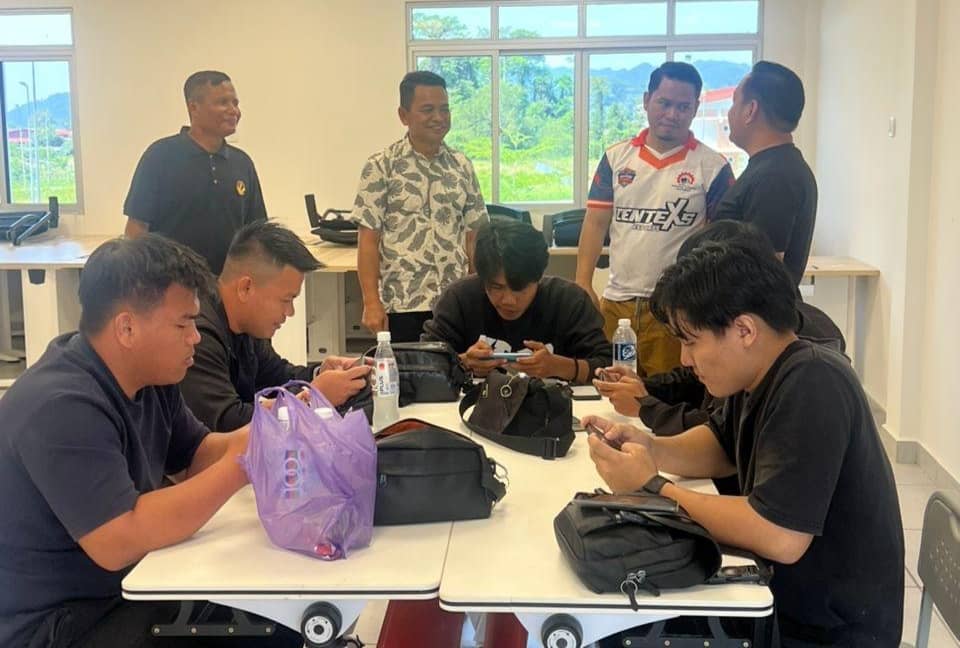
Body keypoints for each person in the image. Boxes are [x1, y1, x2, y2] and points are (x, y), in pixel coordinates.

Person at [585, 242, 904, 646]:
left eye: (691, 341)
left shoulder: (813, 381)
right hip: (785, 601)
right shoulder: (758, 373)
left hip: (827, 631)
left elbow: (780, 535)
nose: (684, 359)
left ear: (745, 330)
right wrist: (651, 449)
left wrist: (652, 488)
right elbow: (720, 447)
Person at [0, 235, 302, 648]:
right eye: (183, 324)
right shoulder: (60, 405)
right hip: (59, 624)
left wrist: (270, 430)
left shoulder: (149, 377)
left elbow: (196, 456)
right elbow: (120, 536)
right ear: (127, 328)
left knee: (276, 614)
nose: (196, 337)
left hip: (121, 589)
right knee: (264, 631)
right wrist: (244, 462)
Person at [595, 221, 844, 434]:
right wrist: (644, 387)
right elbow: (713, 417)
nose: (685, 359)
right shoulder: (748, 350)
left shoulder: (805, 371)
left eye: (690, 341)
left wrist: (647, 408)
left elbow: (720, 435)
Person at [576, 61, 734, 377]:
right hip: (617, 305)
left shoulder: (713, 167)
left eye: (683, 106)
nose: (672, 114)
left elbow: (721, 241)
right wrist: (582, 281)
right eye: (664, 103)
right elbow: (595, 223)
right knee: (610, 387)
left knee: (668, 393)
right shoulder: (616, 158)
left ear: (695, 108)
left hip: (676, 309)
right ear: (647, 100)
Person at [180, 221, 370, 431]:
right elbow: (227, 421)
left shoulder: (246, 326)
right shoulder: (198, 337)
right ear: (246, 288)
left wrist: (319, 374)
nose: (290, 312)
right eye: (286, 300)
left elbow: (276, 375)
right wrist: (312, 398)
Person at [352, 70, 488, 343]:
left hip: (455, 302)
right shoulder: (381, 166)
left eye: (444, 109)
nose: (439, 117)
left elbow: (475, 235)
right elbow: (368, 241)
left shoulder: (462, 166)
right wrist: (371, 301)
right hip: (402, 303)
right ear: (403, 115)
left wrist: (479, 294)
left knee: (460, 368)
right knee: (407, 370)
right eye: (428, 110)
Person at [424, 217, 610, 383]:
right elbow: (422, 364)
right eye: (497, 287)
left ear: (538, 277)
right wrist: (463, 363)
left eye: (519, 288)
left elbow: (608, 366)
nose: (509, 300)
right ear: (482, 278)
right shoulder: (459, 298)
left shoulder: (568, 300)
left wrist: (559, 367)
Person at [123, 70, 267, 275]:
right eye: (223, 102)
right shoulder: (160, 156)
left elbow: (256, 234)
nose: (233, 110)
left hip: (227, 287)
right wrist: (138, 280)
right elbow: (137, 228)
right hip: (172, 285)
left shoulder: (242, 163)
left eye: (235, 103)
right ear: (194, 107)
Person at [713, 61, 817, 286]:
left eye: (734, 103)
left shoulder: (776, 176)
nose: (730, 113)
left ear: (750, 110)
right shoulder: (771, 167)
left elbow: (762, 274)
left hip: (751, 307)